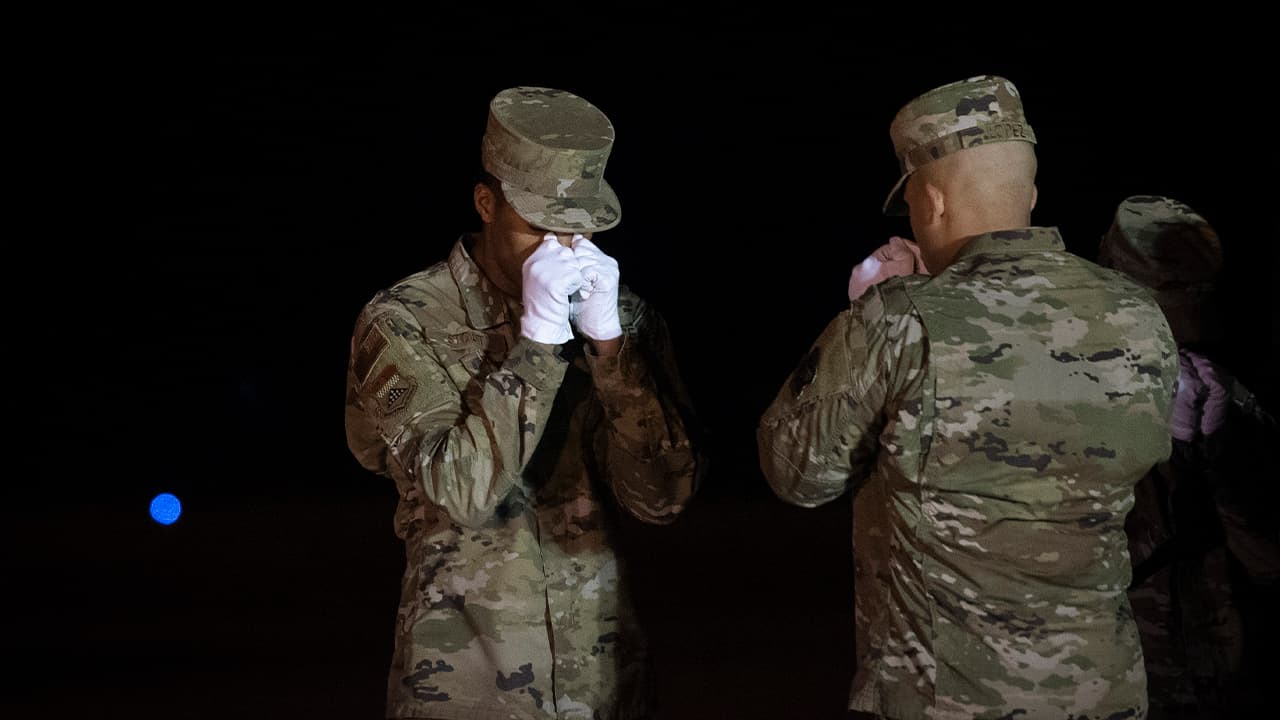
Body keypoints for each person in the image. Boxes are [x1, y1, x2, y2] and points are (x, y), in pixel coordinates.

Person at [757, 75, 1179, 719]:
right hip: (1103, 688)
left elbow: (797, 474)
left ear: (930, 201)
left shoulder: (897, 319)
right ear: (1030, 193)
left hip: (947, 697)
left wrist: (865, 314)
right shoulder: (1140, 314)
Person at [345, 86, 701, 720]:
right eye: (538, 227)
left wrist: (612, 352)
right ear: (487, 204)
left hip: (602, 685)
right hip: (466, 687)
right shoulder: (405, 319)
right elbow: (460, 491)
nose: (561, 251)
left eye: (578, 228)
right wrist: (537, 345)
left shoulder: (620, 317)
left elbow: (662, 500)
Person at [1099, 195, 1280, 718]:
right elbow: (1072, 565)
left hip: (1214, 678)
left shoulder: (1220, 393)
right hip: (1109, 676)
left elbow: (1268, 562)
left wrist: (1216, 450)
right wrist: (1167, 459)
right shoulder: (1071, 401)